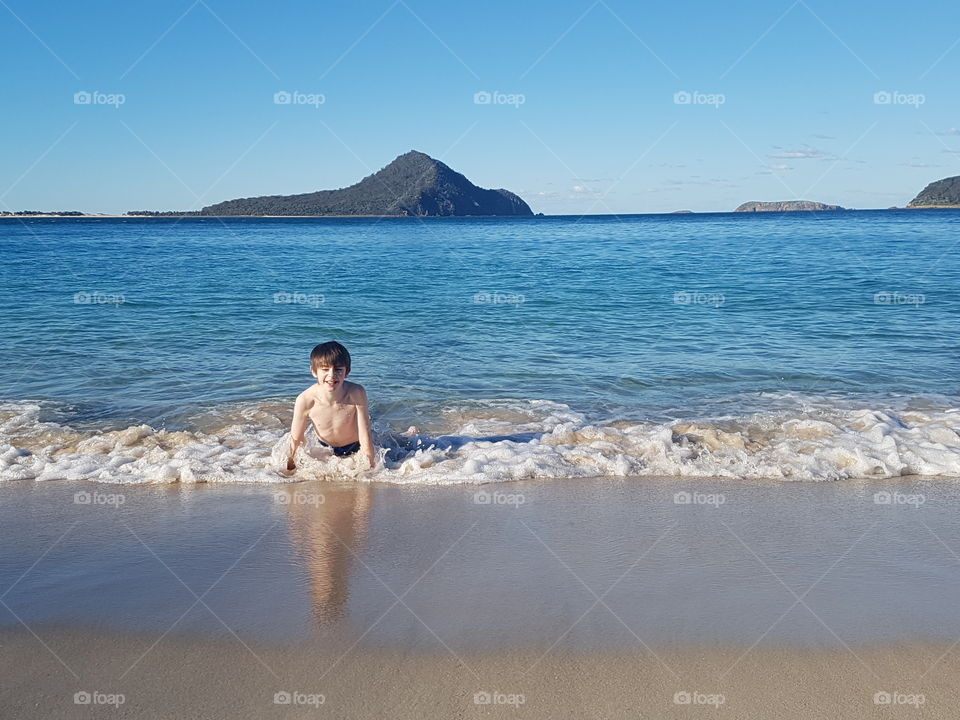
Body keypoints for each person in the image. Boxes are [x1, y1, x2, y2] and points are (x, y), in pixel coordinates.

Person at [286, 341, 376, 472]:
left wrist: (371, 468)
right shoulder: (305, 400)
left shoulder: (356, 393)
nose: (332, 375)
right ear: (314, 371)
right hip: (324, 448)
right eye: (325, 369)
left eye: (338, 370)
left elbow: (365, 434)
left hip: (355, 446)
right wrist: (290, 468)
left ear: (347, 371)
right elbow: (296, 439)